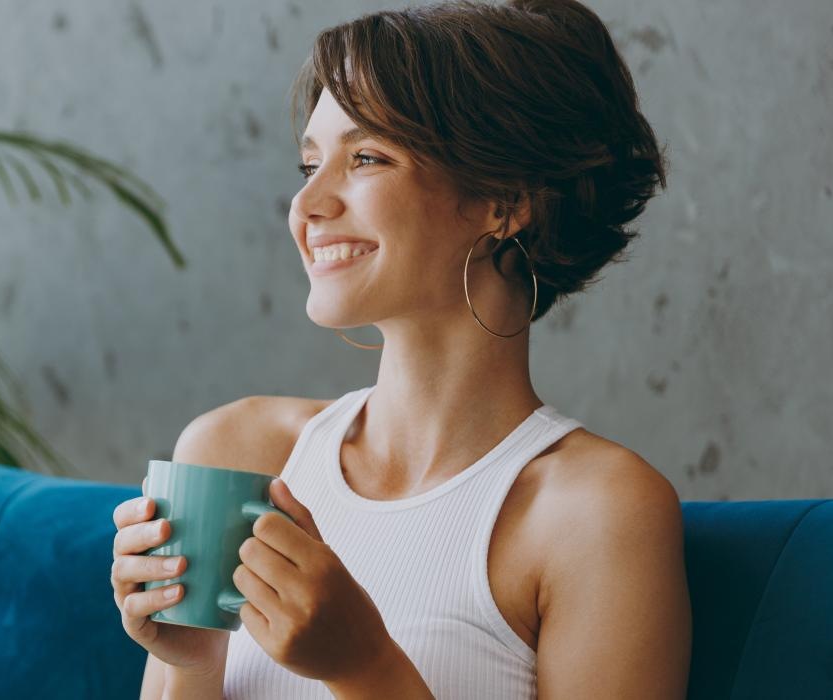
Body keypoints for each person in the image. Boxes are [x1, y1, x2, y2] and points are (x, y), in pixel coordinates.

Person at [108, 1, 691, 697]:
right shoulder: (237, 453)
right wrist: (192, 660)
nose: (307, 205)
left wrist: (365, 667)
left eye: (366, 157)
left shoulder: (597, 513)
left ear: (504, 202)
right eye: (309, 164)